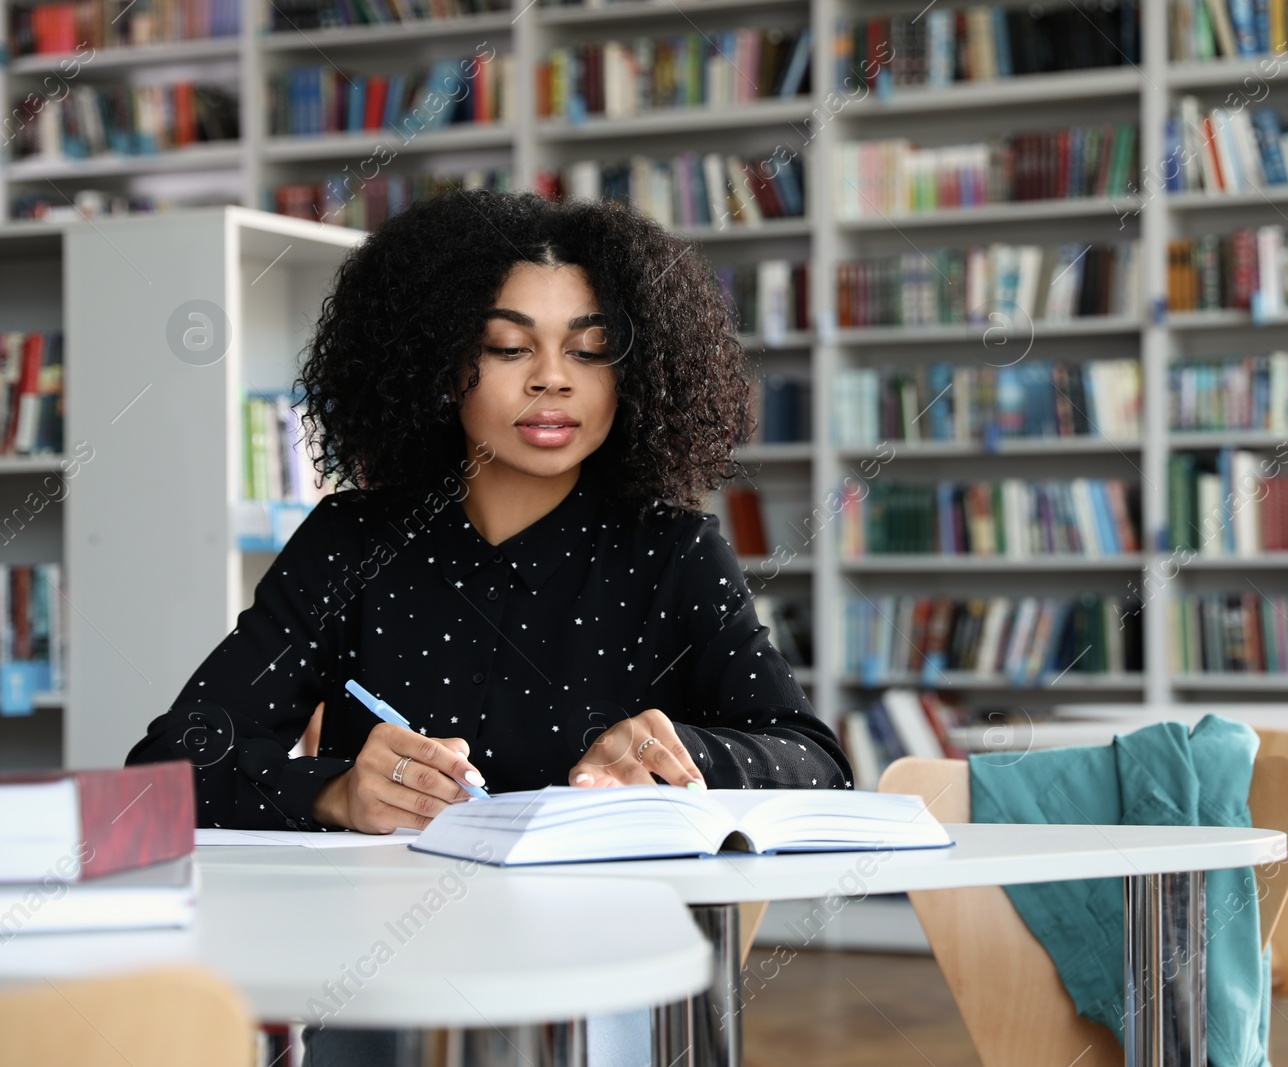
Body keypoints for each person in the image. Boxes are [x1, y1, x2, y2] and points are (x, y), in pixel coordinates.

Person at [125, 188, 852, 1064]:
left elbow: (818, 763)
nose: (553, 377)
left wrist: (690, 755)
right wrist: (333, 791)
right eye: (509, 347)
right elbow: (164, 771)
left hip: (613, 1000)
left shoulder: (673, 549)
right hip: (387, 994)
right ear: (436, 362)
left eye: (589, 350)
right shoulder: (352, 540)